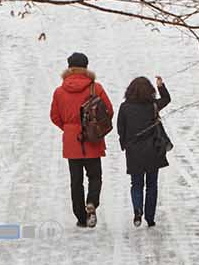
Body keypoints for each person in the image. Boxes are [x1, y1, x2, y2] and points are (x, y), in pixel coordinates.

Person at [49, 52, 114, 228]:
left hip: (72, 141)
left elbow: (54, 116)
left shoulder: (59, 91)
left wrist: (69, 128)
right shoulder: (96, 88)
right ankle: (92, 202)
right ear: (86, 67)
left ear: (69, 68)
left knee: (76, 181)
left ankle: (81, 217)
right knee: (95, 176)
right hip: (92, 138)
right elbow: (108, 111)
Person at [117, 76, 171, 227]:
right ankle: (150, 217)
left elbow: (121, 129)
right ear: (149, 91)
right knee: (152, 184)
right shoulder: (153, 105)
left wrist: (125, 144)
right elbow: (166, 99)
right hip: (153, 149)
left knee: (136, 183)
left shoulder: (124, 107)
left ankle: (137, 210)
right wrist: (161, 86)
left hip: (134, 152)